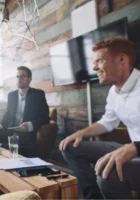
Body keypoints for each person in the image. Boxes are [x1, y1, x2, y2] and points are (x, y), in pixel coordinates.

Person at [60, 37, 140, 199]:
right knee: (68, 146)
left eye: (99, 61)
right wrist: (80, 133)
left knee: (109, 173)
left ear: (122, 60)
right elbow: (107, 122)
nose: (94, 67)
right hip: (132, 148)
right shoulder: (113, 92)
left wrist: (135, 148)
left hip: (136, 149)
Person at [0, 66, 49, 156]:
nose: (19, 79)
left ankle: (10, 154)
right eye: (17, 76)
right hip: (12, 130)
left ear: (29, 79)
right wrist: (0, 125)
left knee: (20, 143)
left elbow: (45, 117)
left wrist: (30, 125)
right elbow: (8, 114)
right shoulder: (11, 95)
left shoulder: (38, 94)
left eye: (22, 76)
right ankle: (5, 154)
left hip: (26, 133)